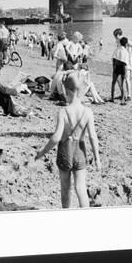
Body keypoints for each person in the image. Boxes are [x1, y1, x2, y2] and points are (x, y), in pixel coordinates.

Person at [35, 72, 101, 208]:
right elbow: (93, 137)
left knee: (65, 189)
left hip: (65, 151)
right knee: (80, 188)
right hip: (80, 152)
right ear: (83, 90)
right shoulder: (88, 112)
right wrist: (97, 159)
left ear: (66, 91)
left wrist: (42, 152)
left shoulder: (63, 112)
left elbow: (56, 138)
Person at [110, 36, 129, 105]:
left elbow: (113, 59)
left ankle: (112, 98)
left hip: (116, 66)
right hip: (123, 67)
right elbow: (126, 63)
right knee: (122, 84)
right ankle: (123, 100)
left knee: (113, 83)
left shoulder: (116, 49)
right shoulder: (126, 52)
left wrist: (113, 68)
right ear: (126, 44)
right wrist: (126, 72)